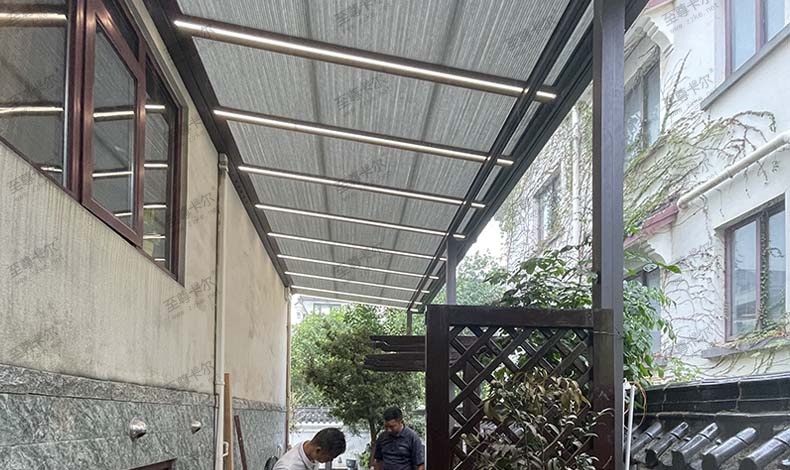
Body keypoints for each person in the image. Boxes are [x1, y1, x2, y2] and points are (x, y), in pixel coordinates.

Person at [274, 427, 346, 470]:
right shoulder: (287, 467)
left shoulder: (311, 454)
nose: (330, 460)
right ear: (318, 450)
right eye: (329, 458)